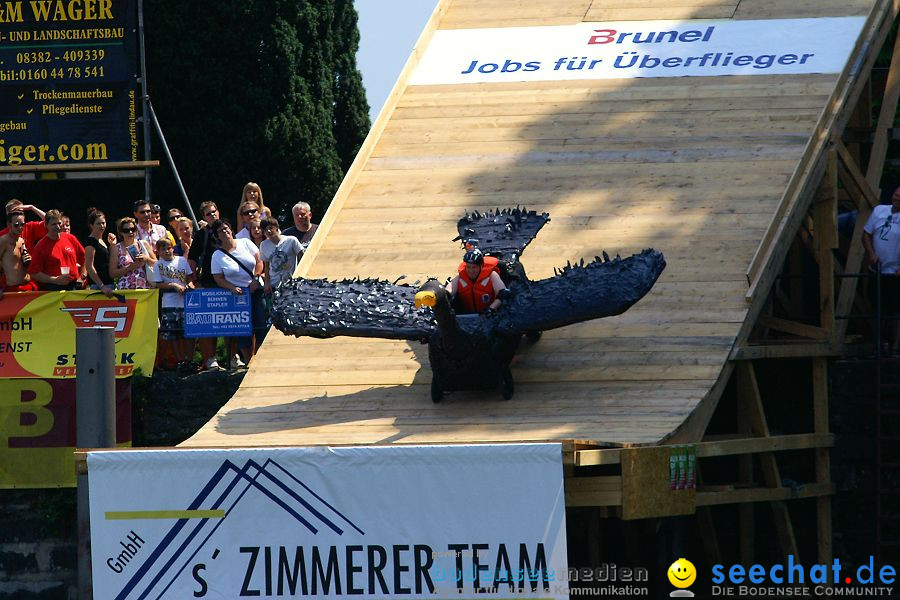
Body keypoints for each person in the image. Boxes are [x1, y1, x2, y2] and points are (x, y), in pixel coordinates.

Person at [210, 219, 264, 369]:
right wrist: (231, 287)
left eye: (226, 228)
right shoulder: (217, 255)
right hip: (237, 295)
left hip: (255, 289)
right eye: (220, 231)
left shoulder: (245, 242)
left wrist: (256, 278)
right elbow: (218, 278)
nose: (225, 231)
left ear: (231, 229)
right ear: (217, 236)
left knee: (260, 325)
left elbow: (259, 261)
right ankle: (248, 361)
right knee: (243, 331)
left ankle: (258, 359)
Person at [150, 238, 195, 372]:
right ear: (158, 251)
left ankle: (189, 359)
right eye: (163, 249)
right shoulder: (158, 265)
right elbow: (158, 284)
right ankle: (180, 360)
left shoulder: (181, 260)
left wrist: (189, 285)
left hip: (185, 302)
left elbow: (190, 278)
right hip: (169, 302)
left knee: (188, 332)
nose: (166, 251)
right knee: (173, 333)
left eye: (168, 248)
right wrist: (173, 285)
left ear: (173, 248)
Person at [188, 201, 223, 370]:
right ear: (204, 217)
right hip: (207, 283)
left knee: (228, 322)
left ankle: (231, 357)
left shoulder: (226, 230)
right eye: (208, 214)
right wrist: (195, 280)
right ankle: (210, 358)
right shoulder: (202, 234)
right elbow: (192, 258)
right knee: (207, 322)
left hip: (227, 284)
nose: (213, 215)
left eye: (214, 212)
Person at [864, 187, 900, 353]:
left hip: (895, 272)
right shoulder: (879, 211)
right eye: (896, 195)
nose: (897, 198)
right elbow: (865, 234)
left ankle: (895, 345)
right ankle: (879, 342)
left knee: (895, 310)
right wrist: (871, 254)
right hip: (877, 270)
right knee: (876, 306)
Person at [28, 210, 86, 291]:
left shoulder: (70, 238)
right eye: (53, 224)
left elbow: (85, 258)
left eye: (59, 223)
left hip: (74, 287)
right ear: (46, 225)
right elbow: (34, 273)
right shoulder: (41, 246)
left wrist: (82, 277)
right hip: (53, 289)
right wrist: (55, 280)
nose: (58, 227)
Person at [445, 248, 506, 314]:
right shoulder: (461, 277)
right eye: (468, 267)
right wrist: (441, 296)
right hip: (465, 317)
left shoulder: (492, 275)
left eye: (474, 267)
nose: (471, 271)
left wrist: (491, 309)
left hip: (490, 316)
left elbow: (502, 294)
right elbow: (448, 291)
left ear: (481, 266)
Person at [109, 217, 155, 290]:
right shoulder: (116, 248)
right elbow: (112, 273)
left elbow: (157, 264)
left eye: (132, 229)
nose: (130, 232)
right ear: (121, 232)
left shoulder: (143, 244)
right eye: (126, 230)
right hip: (126, 289)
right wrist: (130, 267)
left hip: (146, 289)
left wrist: (146, 259)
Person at [0, 211, 37, 296]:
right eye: (16, 225)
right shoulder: (3, 241)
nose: (20, 227)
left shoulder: (21, 240)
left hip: (27, 286)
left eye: (22, 224)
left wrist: (29, 260)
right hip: (13, 290)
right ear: (9, 225)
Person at [260, 217, 302, 294]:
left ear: (276, 228)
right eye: (265, 229)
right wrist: (267, 283)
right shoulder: (263, 245)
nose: (269, 231)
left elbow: (302, 258)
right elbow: (266, 267)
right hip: (274, 283)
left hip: (291, 283)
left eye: (270, 228)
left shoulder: (291, 240)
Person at [83, 208, 115, 296]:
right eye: (98, 224)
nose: (102, 226)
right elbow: (89, 266)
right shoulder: (91, 242)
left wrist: (112, 245)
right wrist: (102, 286)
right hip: (98, 287)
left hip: (108, 284)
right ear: (91, 225)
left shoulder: (102, 240)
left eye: (103, 223)